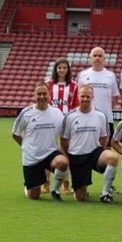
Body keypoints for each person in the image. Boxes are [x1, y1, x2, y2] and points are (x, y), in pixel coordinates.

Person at [60, 84, 119, 203]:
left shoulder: (101, 115)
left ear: (92, 97)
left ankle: (105, 193)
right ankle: (81, 187)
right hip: (77, 156)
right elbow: (64, 141)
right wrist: (70, 157)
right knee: (80, 198)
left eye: (88, 96)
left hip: (94, 153)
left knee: (112, 157)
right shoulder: (69, 117)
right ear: (78, 97)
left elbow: (105, 137)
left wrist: (100, 150)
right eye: (83, 96)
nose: (85, 99)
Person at [12, 82, 69, 201]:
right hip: (32, 157)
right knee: (34, 196)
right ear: (34, 96)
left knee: (63, 162)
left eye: (44, 94)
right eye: (39, 94)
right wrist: (26, 146)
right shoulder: (26, 113)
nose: (42, 96)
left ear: (49, 95)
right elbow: (15, 134)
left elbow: (64, 134)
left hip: (50, 153)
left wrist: (65, 152)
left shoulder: (57, 113)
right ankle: (28, 185)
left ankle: (55, 190)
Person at [43, 57, 79, 194]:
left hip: (67, 123)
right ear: (55, 69)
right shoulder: (49, 84)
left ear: (68, 69)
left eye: (64, 67)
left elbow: (76, 106)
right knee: (48, 150)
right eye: (59, 68)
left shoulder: (74, 86)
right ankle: (46, 182)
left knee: (66, 152)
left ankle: (65, 183)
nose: (62, 70)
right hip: (51, 121)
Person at [76, 47, 119, 139]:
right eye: (95, 55)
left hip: (106, 117)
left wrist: (106, 108)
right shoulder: (83, 75)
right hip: (87, 117)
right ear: (90, 58)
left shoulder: (111, 75)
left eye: (100, 56)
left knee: (106, 147)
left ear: (104, 59)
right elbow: (78, 96)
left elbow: (115, 97)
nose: (97, 58)